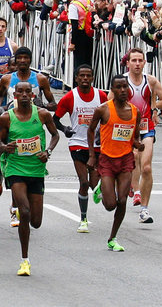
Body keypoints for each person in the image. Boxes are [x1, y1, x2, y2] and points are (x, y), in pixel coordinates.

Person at [0, 81, 60, 276]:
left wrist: (47, 151)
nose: (24, 95)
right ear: (14, 95)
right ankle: (25, 260)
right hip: (16, 169)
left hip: (36, 170)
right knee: (24, 212)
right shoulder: (7, 118)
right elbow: (0, 142)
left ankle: (19, 208)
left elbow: (55, 135)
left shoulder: (41, 114)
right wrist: (5, 147)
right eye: (20, 92)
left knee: (36, 221)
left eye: (28, 92)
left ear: (32, 95)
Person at [88, 74, 145, 252]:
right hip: (107, 160)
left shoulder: (135, 111)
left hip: (126, 160)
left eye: (125, 87)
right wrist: (91, 155)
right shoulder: (103, 109)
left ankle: (112, 237)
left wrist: (137, 144)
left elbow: (134, 137)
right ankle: (102, 190)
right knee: (110, 205)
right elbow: (90, 131)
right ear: (112, 90)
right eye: (118, 87)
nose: (122, 91)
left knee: (122, 201)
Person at [54, 64, 106, 232]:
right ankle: (83, 219)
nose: (85, 78)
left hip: (97, 144)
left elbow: (110, 116)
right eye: (81, 76)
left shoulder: (101, 96)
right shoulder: (70, 97)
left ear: (92, 78)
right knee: (84, 182)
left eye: (88, 76)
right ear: (76, 78)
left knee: (94, 184)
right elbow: (55, 119)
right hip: (77, 142)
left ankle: (102, 189)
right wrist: (65, 129)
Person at [123, 48, 162, 223]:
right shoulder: (122, 81)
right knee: (133, 157)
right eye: (133, 60)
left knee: (147, 166)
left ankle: (144, 209)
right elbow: (109, 101)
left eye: (140, 60)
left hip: (146, 127)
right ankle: (134, 190)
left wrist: (154, 106)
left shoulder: (150, 81)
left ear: (144, 63)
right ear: (128, 63)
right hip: (127, 128)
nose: (137, 64)